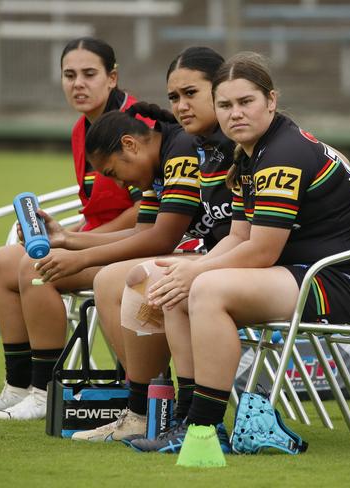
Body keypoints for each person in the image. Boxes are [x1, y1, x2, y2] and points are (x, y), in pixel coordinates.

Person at [129, 52, 350, 452]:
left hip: (338, 281)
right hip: (301, 270)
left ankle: (204, 431)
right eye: (225, 105)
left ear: (271, 101)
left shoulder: (282, 153)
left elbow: (261, 251)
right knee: (174, 287)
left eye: (246, 102)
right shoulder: (250, 153)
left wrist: (198, 274)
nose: (235, 114)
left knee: (208, 291)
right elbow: (239, 237)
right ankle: (185, 419)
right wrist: (186, 270)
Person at [0, 37, 146, 419]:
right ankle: (17, 386)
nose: (78, 83)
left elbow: (149, 209)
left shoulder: (137, 124)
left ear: (112, 78)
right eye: (69, 75)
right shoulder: (82, 128)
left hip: (133, 246)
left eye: (89, 74)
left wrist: (76, 241)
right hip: (93, 239)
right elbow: (98, 207)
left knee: (35, 268)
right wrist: (61, 231)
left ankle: (44, 390)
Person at [70, 47, 236, 443]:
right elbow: (147, 231)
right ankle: (150, 407)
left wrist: (79, 255)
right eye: (174, 97)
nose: (181, 105)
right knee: (123, 279)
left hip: (281, 272)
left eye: (190, 93)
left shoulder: (190, 148)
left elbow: (160, 238)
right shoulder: (204, 146)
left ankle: (151, 408)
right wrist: (67, 241)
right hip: (231, 261)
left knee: (133, 280)